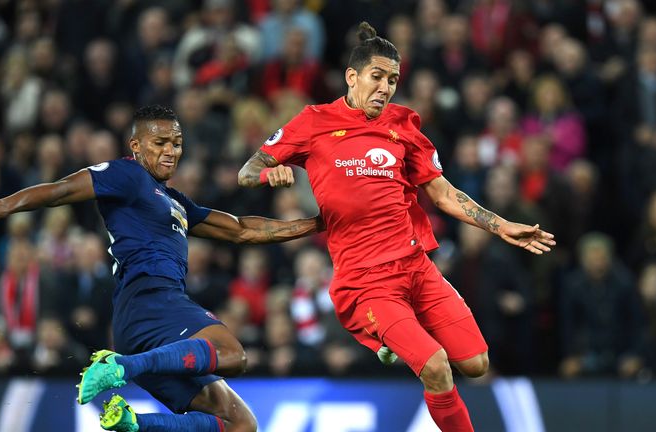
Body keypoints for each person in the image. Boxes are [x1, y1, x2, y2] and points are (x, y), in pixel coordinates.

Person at [238, 22, 555, 432]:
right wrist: (270, 176)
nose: (385, 88)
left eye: (392, 80)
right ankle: (393, 336)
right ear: (352, 77)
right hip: (366, 281)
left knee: (476, 364)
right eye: (377, 77)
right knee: (437, 368)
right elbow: (249, 170)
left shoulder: (404, 126)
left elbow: (442, 194)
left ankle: (394, 339)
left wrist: (500, 226)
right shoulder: (313, 122)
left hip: (416, 267)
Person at [0, 105, 323, 432]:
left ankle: (132, 422)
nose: (171, 151)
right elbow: (60, 189)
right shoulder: (126, 176)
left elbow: (241, 230)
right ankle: (121, 366)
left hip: (146, 319)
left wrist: (317, 224)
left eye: (176, 143)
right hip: (149, 299)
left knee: (241, 423)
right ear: (136, 146)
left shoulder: (175, 201)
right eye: (160, 143)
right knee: (233, 354)